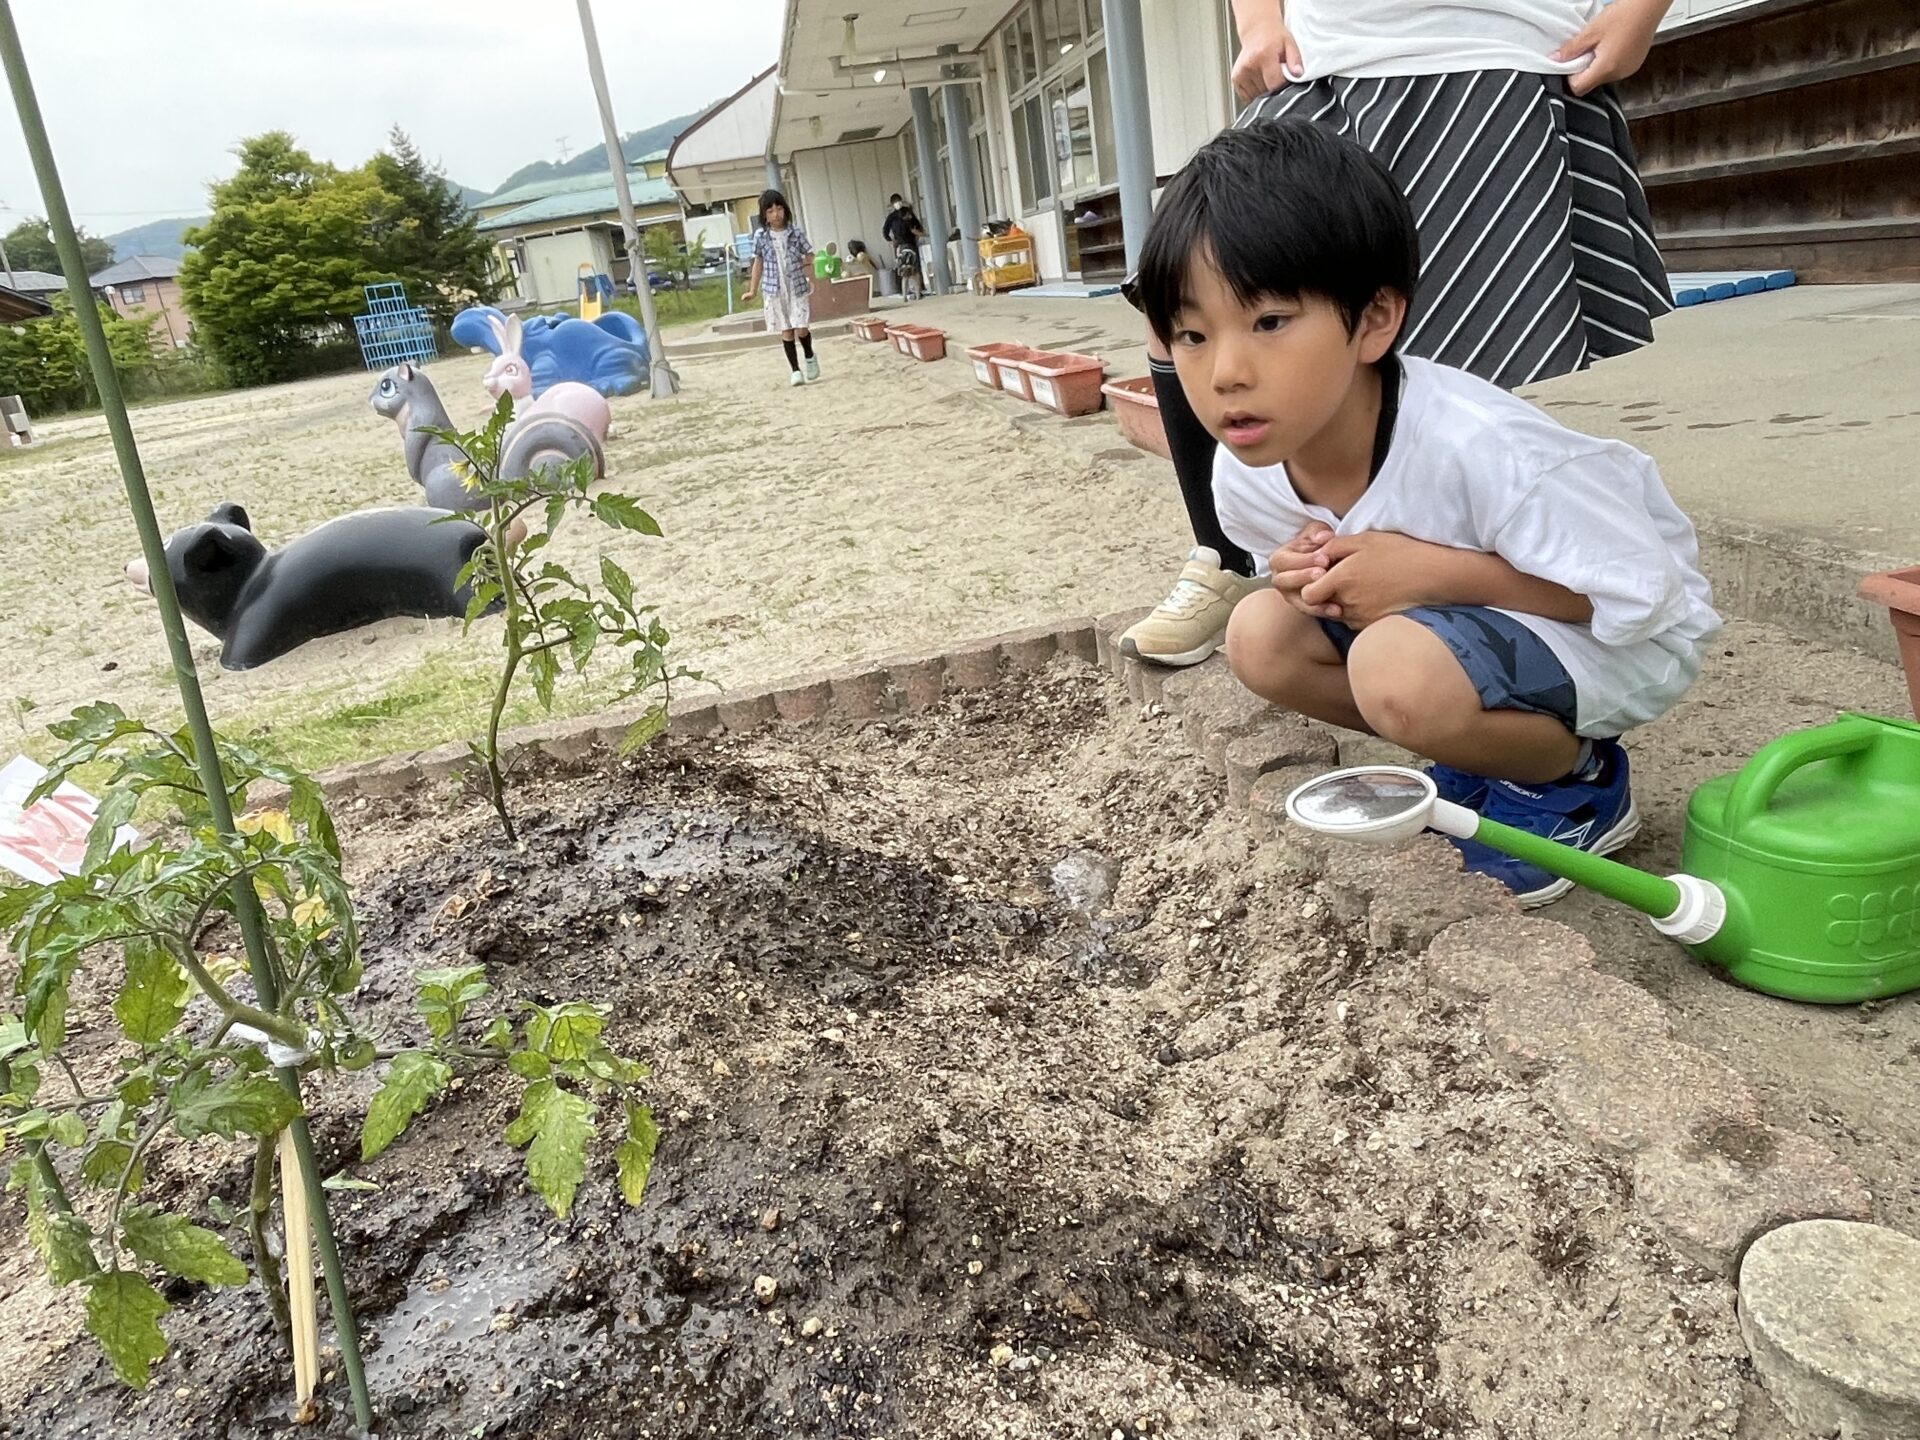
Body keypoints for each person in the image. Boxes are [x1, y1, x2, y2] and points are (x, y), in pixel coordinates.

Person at [1133, 120, 1717, 905]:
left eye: (1269, 323)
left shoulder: (1484, 447)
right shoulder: (1246, 474)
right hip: (1472, 636)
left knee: (1395, 670)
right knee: (1259, 634)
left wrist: (1436, 576)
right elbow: (1316, 593)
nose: (1225, 373)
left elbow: (1647, 599)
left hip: (1625, 635)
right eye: (1192, 336)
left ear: (1374, 319)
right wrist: (1302, 577)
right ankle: (1483, 753)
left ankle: (1576, 783)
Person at [1120, 0, 1677, 669]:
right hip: (1321, 54)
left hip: (1494, 47)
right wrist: (1258, 23)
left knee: (1452, 358)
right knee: (1190, 292)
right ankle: (1228, 556)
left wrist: (1642, 8)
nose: (1224, 373)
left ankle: (1471, 590)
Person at [742, 189, 820, 387]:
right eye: (770, 211)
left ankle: (809, 355)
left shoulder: (795, 232)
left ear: (785, 209)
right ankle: (795, 370)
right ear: (764, 215)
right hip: (774, 289)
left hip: (797, 286)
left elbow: (810, 254)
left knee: (801, 326)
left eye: (779, 209)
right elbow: (758, 262)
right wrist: (752, 289)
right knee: (786, 329)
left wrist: (804, 264)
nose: (776, 214)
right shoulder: (761, 236)